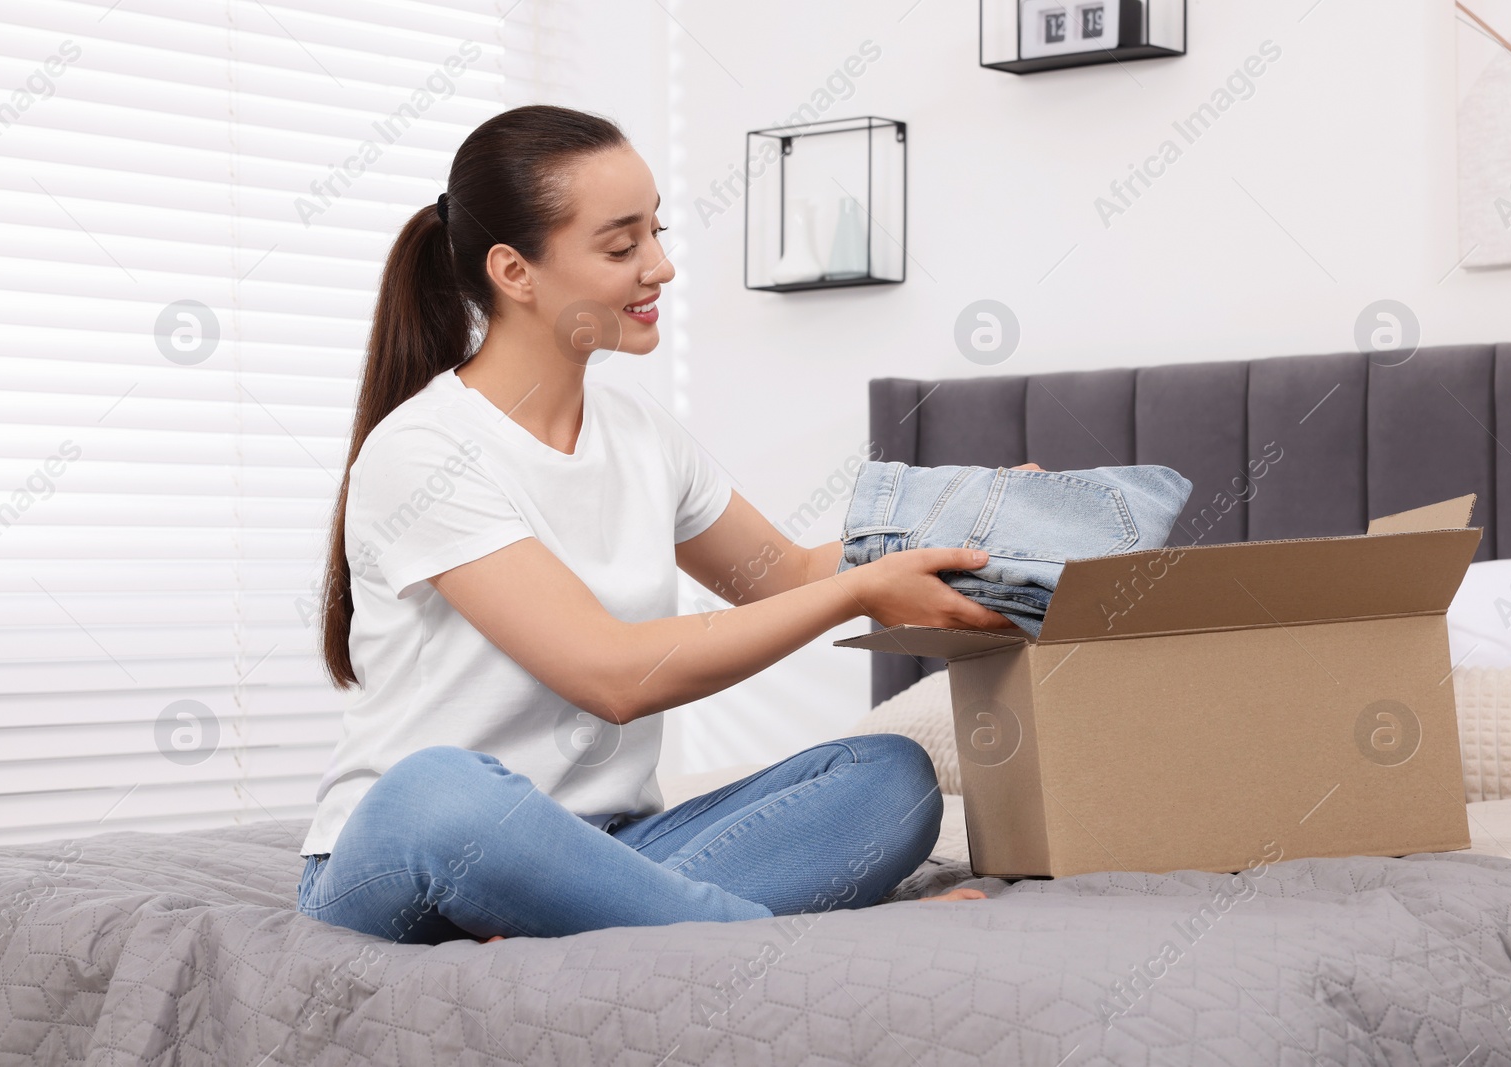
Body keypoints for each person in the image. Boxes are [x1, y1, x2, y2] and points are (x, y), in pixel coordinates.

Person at [296, 104, 1015, 945]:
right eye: (621, 245)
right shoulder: (425, 449)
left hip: (618, 844)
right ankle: (763, 941)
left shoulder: (638, 432)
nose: (661, 267)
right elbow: (612, 676)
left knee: (891, 774)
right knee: (440, 794)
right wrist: (860, 592)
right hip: (411, 857)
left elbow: (780, 575)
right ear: (513, 271)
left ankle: (585, 917)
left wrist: (967, 516)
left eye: (657, 234)